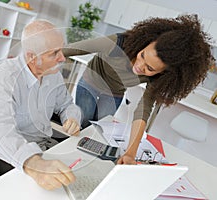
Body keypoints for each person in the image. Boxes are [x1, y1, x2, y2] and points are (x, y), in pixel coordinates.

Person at [63, 14, 212, 165]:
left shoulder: (158, 78)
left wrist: (130, 154)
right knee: (83, 125)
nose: (140, 65)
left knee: (100, 130)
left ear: (163, 73)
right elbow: (77, 48)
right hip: (90, 83)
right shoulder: (119, 43)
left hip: (114, 92)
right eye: (142, 56)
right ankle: (68, 159)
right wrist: (44, 57)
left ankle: (84, 163)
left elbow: (143, 110)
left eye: (150, 68)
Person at [0, 19, 81, 190]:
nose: (62, 58)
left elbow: (66, 104)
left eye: (61, 50)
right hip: (12, 151)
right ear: (32, 57)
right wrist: (33, 163)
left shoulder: (52, 74)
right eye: (54, 53)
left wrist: (72, 117)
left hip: (43, 145)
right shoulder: (4, 77)